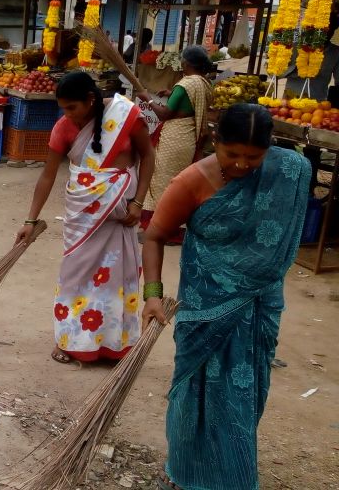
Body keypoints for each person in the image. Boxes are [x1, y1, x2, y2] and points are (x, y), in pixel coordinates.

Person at [141, 104, 310, 490]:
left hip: (257, 304)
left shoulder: (290, 170)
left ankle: (231, 474)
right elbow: (154, 236)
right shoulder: (190, 181)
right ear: (215, 141)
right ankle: (186, 474)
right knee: (195, 395)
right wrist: (153, 295)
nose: (241, 165)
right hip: (205, 308)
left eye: (254, 156)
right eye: (232, 154)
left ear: (271, 149)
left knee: (243, 394)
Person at [17, 71, 155, 364]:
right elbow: (47, 175)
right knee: (75, 277)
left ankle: (113, 344)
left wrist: (138, 202)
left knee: (116, 279)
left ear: (90, 100)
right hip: (82, 220)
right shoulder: (63, 129)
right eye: (63, 108)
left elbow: (148, 157)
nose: (67, 114)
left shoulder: (125, 115)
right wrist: (30, 221)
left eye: (72, 107)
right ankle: (69, 340)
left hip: (122, 217)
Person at [140, 46, 214, 242]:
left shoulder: (186, 85)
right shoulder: (203, 83)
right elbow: (186, 101)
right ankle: (173, 224)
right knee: (176, 180)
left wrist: (147, 100)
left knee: (162, 180)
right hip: (187, 138)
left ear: (187, 64)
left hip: (174, 138)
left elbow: (164, 114)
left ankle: (161, 227)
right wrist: (172, 93)